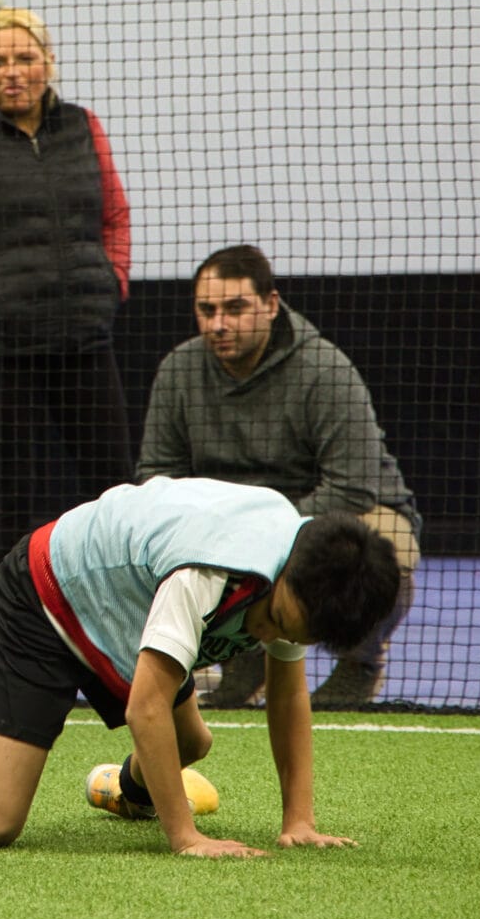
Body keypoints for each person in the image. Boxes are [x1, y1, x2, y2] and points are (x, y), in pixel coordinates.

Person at [0, 477, 402, 858]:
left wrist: (299, 822)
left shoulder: (313, 576)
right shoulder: (214, 570)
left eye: (288, 633)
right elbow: (144, 705)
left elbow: (289, 695)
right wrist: (185, 839)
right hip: (49, 595)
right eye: (275, 619)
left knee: (190, 742)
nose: (265, 636)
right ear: (284, 572)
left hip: (124, 606)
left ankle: (118, 789)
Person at [136, 246, 422, 709]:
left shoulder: (326, 371)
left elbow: (352, 487)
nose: (218, 325)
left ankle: (359, 663)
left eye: (235, 308)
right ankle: (238, 656)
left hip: (326, 513)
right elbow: (155, 479)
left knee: (388, 543)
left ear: (271, 304)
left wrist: (260, 525)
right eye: (207, 310)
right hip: (228, 519)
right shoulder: (178, 371)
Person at [0, 5, 133, 568]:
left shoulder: (86, 125)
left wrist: (112, 283)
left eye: (25, 58)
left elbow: (115, 216)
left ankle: (120, 604)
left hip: (83, 336)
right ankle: (16, 623)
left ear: (48, 63)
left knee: (115, 488)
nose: (12, 71)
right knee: (12, 496)